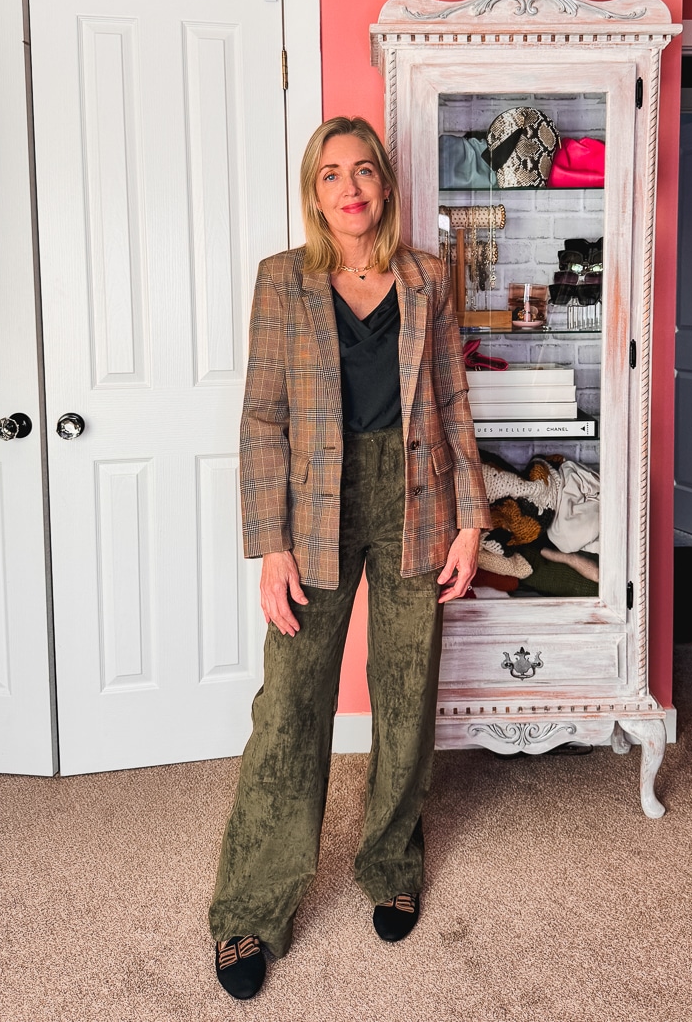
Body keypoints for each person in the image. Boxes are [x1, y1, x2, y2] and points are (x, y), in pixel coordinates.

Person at [209, 116, 490, 999]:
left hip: (418, 498)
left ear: (383, 184)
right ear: (314, 191)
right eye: (331, 174)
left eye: (362, 169)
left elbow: (450, 397)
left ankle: (390, 861)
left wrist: (474, 519)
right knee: (291, 701)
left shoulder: (428, 279)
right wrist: (272, 544)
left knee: (407, 690)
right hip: (314, 507)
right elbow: (262, 420)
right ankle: (251, 906)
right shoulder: (282, 281)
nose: (350, 187)